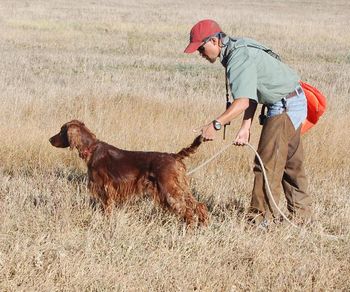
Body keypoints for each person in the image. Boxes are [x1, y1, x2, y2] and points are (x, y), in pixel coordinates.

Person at [184, 19, 312, 228]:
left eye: (201, 47)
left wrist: (215, 124)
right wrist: (245, 128)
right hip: (293, 99)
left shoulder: (237, 57)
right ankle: (302, 217)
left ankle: (259, 222)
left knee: (265, 164)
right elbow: (250, 95)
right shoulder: (237, 48)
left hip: (284, 105)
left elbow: (242, 101)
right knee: (291, 163)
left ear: (215, 41)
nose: (200, 53)